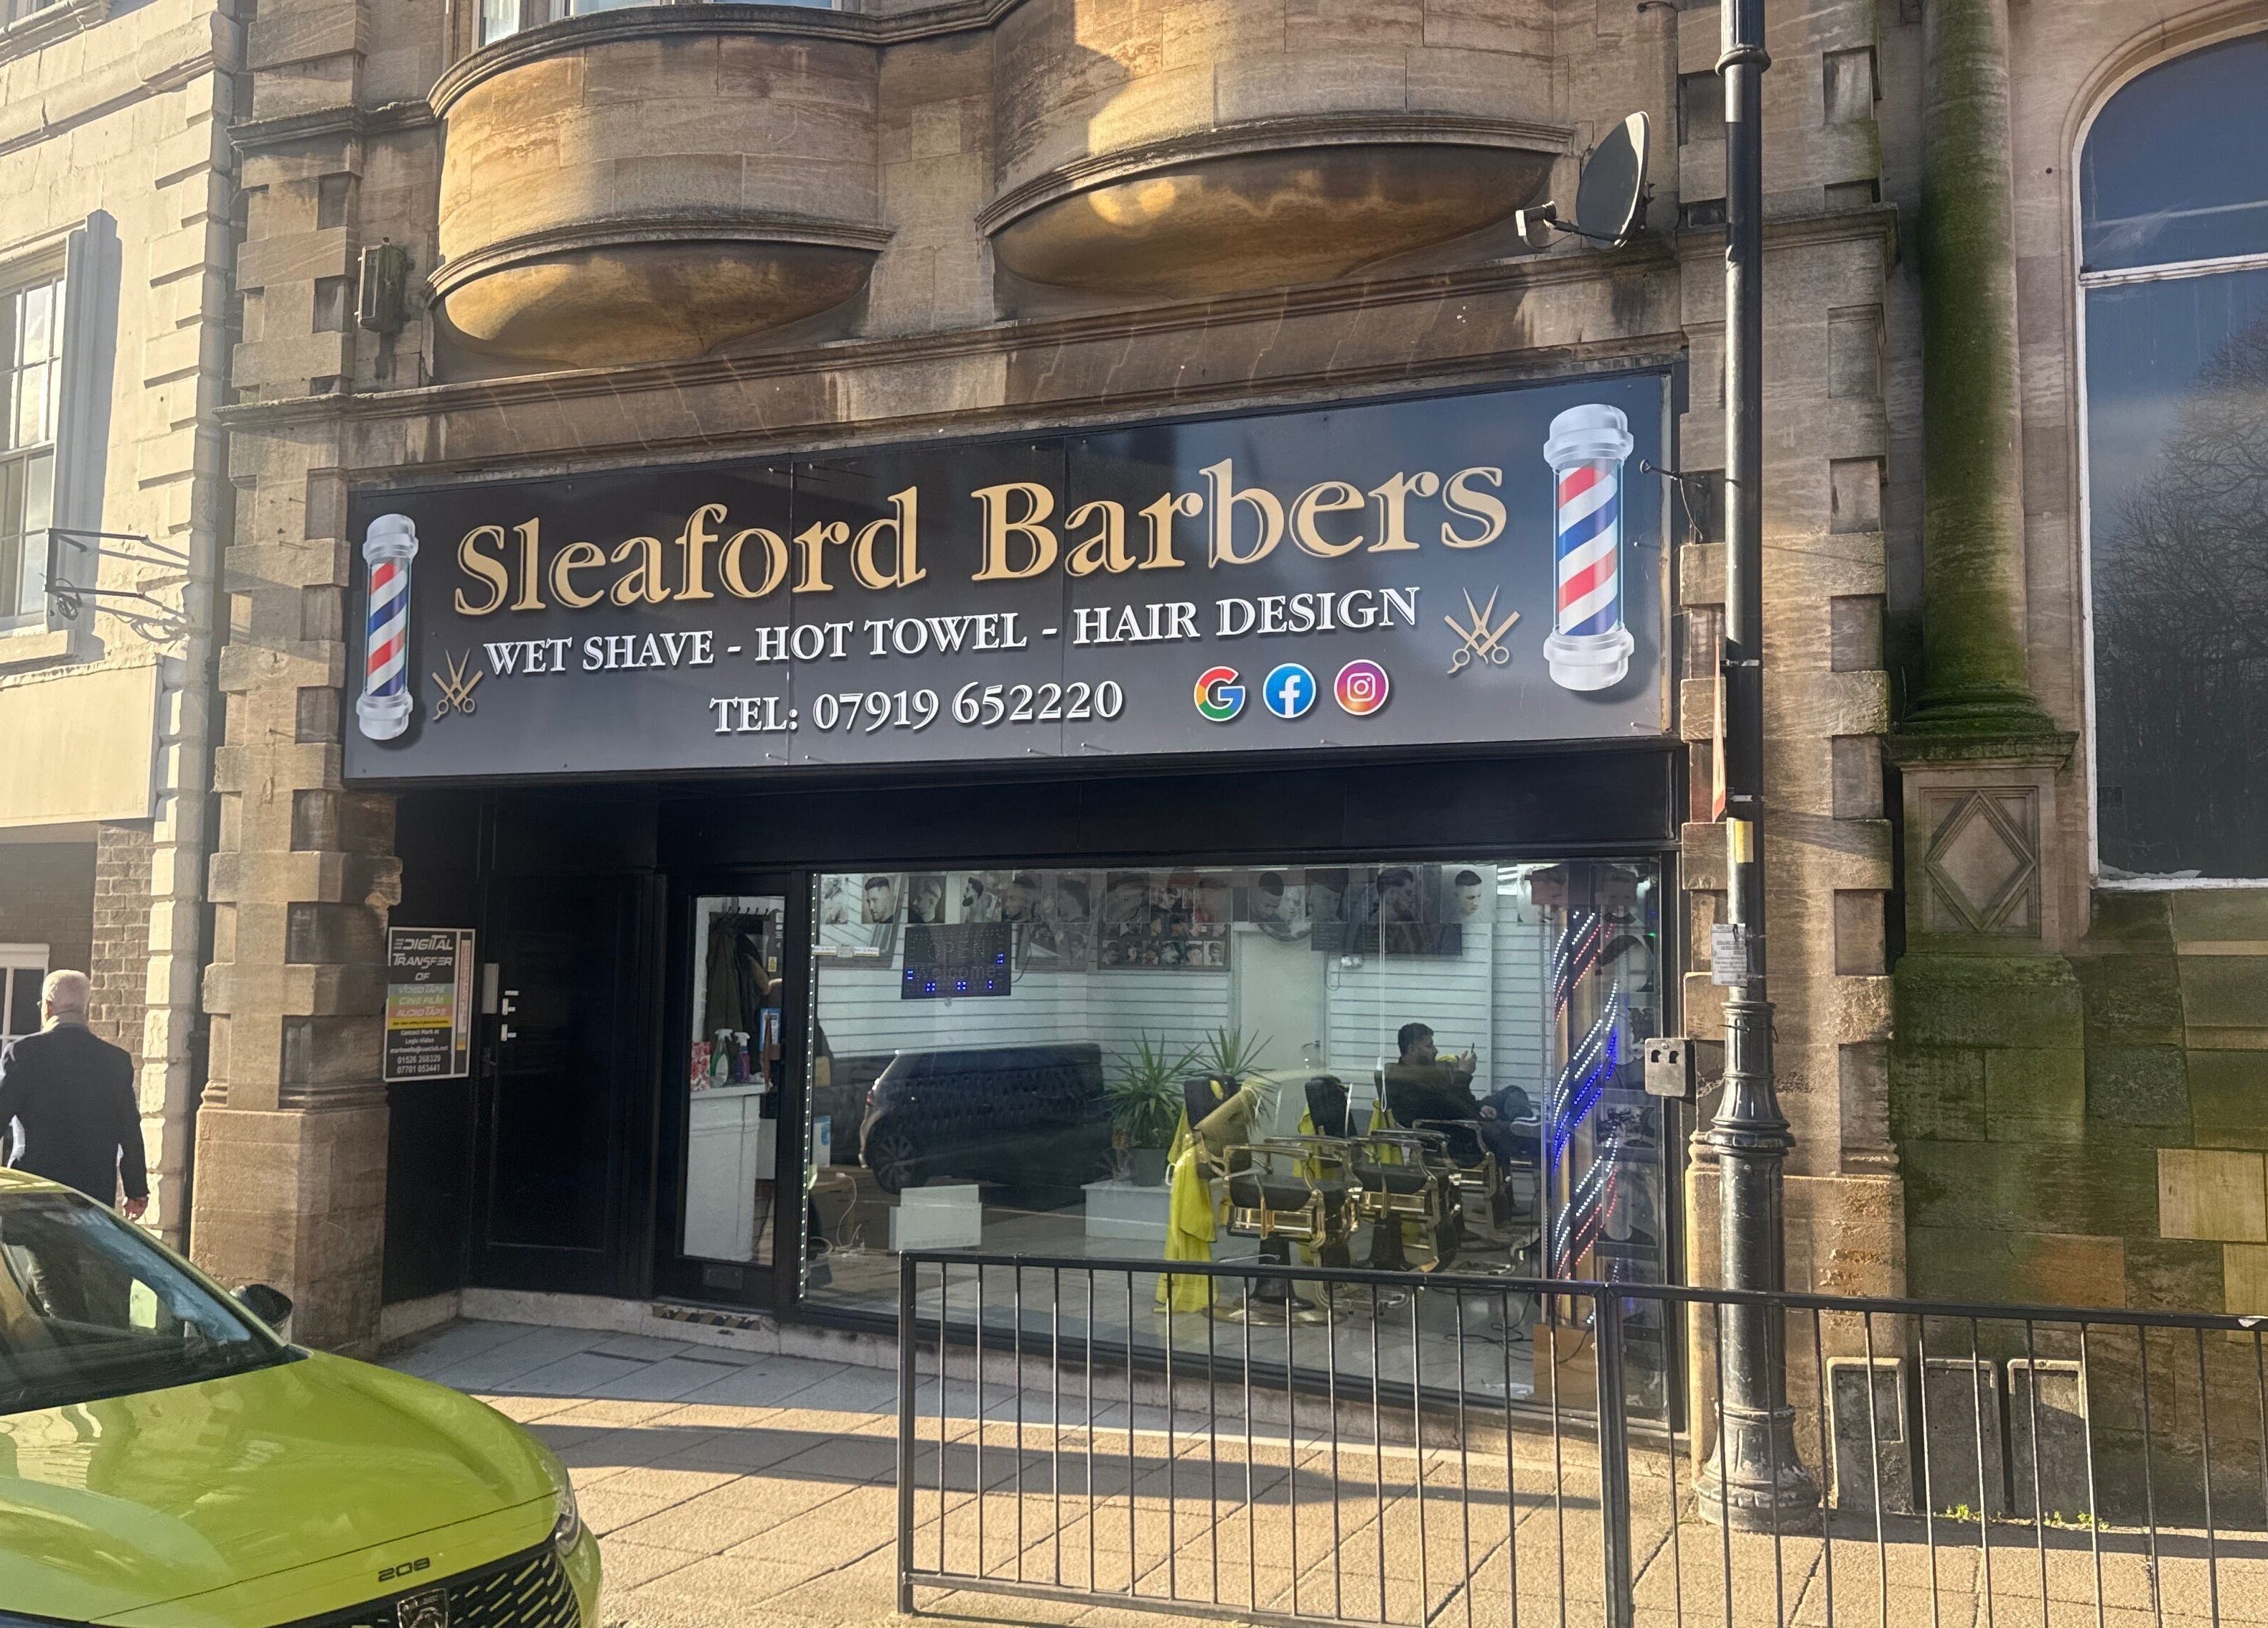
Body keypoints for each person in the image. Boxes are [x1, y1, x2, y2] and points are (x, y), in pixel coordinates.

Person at [0, 970, 148, 1217]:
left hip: (34, 1191)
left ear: (47, 1007)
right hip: (93, 1194)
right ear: (85, 1009)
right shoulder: (116, 1061)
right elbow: (130, 1131)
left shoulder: (23, 1053)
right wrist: (136, 1191)